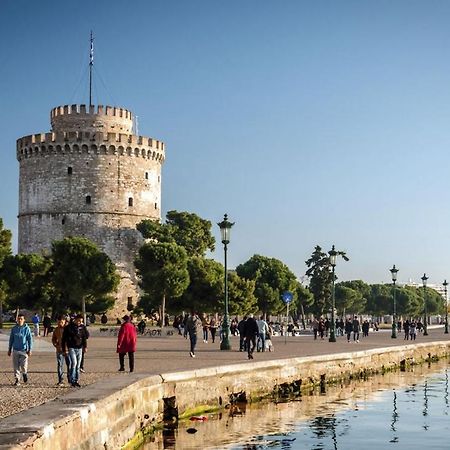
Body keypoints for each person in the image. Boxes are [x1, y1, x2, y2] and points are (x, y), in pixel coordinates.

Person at [62, 314, 89, 387]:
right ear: (75, 320)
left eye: (81, 321)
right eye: (79, 321)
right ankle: (72, 380)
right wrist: (64, 349)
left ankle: (76, 380)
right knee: (74, 363)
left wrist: (85, 346)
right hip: (71, 347)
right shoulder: (68, 327)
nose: (80, 322)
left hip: (79, 348)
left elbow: (85, 337)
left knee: (78, 366)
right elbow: (63, 339)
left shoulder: (82, 327)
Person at [8, 313, 33, 386]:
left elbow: (30, 339)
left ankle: (24, 373)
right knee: (16, 366)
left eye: (21, 319)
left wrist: (30, 349)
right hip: (15, 350)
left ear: (24, 320)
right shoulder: (14, 329)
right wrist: (9, 349)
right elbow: (11, 339)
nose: (19, 320)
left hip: (24, 350)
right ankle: (17, 379)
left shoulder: (26, 328)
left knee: (23, 365)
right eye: (18, 319)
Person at [52, 315, 70, 385]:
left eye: (61, 322)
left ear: (65, 322)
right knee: (60, 365)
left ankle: (70, 378)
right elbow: (54, 339)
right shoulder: (56, 330)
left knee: (69, 365)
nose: (60, 324)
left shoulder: (68, 329)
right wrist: (56, 345)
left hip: (68, 350)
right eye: (59, 322)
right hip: (59, 350)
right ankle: (60, 380)